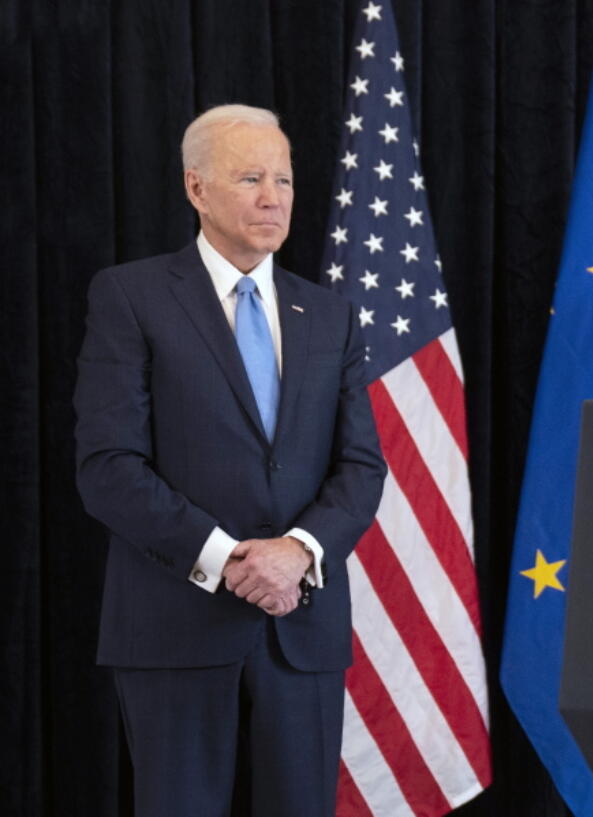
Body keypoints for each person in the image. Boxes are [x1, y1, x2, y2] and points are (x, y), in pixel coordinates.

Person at [74, 104, 386, 817]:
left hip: (300, 629)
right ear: (196, 188)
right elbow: (108, 466)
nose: (273, 196)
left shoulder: (329, 314)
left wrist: (297, 552)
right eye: (250, 177)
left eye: (283, 177)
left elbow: (361, 465)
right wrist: (231, 560)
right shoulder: (131, 296)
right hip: (172, 627)